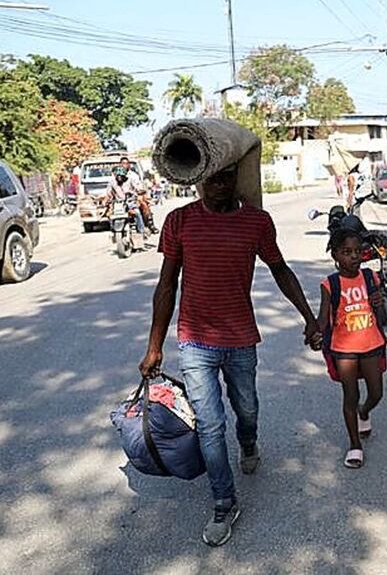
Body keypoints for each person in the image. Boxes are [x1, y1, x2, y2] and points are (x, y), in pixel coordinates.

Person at [138, 161, 322, 547]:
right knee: (209, 424)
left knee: (248, 408)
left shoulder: (257, 222)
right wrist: (154, 345)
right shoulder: (179, 221)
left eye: (226, 176)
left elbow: (280, 270)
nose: (218, 184)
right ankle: (224, 501)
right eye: (210, 177)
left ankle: (250, 442)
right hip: (195, 341)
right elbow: (166, 285)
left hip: (240, 339)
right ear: (198, 178)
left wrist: (309, 317)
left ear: (237, 179)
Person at [316, 227, 387, 469]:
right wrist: (314, 332)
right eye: (347, 252)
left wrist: (378, 302)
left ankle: (364, 411)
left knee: (376, 392)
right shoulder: (330, 284)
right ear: (335, 255)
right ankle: (355, 445)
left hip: (370, 344)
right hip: (344, 348)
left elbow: (377, 307)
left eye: (358, 251)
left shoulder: (370, 277)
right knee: (350, 395)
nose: (354, 257)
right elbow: (323, 319)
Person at [112, 157, 158, 233]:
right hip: (119, 200)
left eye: (126, 163)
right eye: (122, 163)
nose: (124, 165)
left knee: (142, 203)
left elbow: (138, 187)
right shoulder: (114, 177)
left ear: (129, 165)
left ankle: (149, 225)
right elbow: (110, 189)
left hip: (132, 198)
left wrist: (138, 192)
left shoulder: (133, 176)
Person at [103, 166, 146, 237]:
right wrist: (106, 201)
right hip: (118, 205)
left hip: (130, 202)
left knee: (137, 213)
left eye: (121, 176)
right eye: (118, 176)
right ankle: (113, 230)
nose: (119, 178)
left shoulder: (130, 180)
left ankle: (141, 232)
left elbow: (138, 188)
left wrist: (138, 191)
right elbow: (108, 193)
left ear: (124, 176)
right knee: (109, 216)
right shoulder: (112, 182)